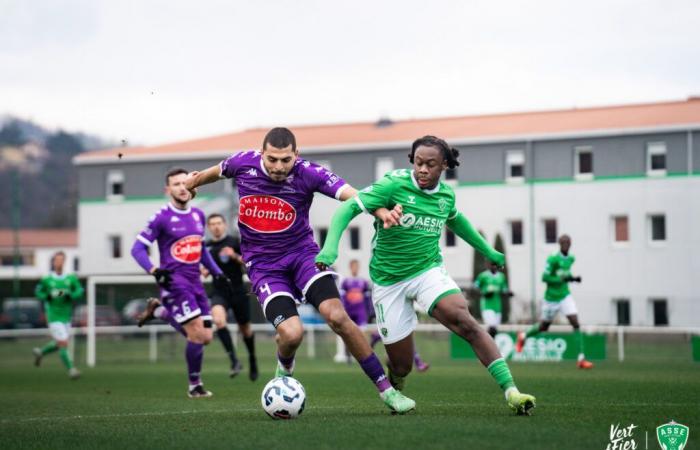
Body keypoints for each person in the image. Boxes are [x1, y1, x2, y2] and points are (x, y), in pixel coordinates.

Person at [185, 127, 415, 414]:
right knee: (292, 334)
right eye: (272, 160)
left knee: (338, 317)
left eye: (285, 160)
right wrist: (193, 183)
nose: (279, 167)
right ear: (261, 153)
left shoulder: (310, 173)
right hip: (264, 267)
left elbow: (351, 194)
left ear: (297, 155)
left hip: (303, 257)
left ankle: (387, 391)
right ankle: (285, 367)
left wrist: (380, 210)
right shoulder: (243, 162)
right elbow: (216, 172)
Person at [316, 135, 536, 415]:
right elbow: (349, 207)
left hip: (427, 271)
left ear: (444, 165)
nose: (422, 169)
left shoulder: (445, 196)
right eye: (418, 163)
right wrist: (330, 248)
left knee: (464, 320)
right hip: (388, 281)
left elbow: (457, 221)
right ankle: (395, 386)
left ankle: (512, 392)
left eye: (430, 164)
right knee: (402, 365)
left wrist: (488, 251)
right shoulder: (393, 184)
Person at [131, 167, 234, 398]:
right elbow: (137, 249)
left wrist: (218, 273)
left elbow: (201, 249)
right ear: (168, 190)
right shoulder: (161, 218)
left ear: (192, 185)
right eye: (175, 184)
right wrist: (154, 270)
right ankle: (194, 386)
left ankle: (159, 311)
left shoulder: (198, 215)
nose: (181, 187)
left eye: (184, 182)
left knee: (206, 337)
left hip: (195, 282)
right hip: (174, 282)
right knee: (196, 334)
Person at [515, 235, 593, 369]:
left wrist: (573, 279)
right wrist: (561, 280)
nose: (566, 244)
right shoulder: (552, 259)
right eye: (563, 242)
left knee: (575, 322)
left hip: (565, 296)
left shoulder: (570, 259)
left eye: (568, 242)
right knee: (544, 326)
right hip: (551, 298)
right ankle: (523, 335)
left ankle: (581, 359)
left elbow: (565, 275)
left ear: (571, 243)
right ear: (559, 244)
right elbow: (544, 277)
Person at [203, 213, 259, 381]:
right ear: (208, 227)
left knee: (245, 330)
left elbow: (249, 262)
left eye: (219, 223)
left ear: (225, 225)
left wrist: (234, 256)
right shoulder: (205, 247)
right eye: (212, 224)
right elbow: (204, 269)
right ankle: (234, 361)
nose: (216, 226)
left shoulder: (234, 242)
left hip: (238, 291)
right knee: (219, 320)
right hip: (219, 292)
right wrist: (203, 270)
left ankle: (252, 358)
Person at [33, 251, 83, 379]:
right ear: (53, 262)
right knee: (63, 342)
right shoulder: (47, 279)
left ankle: (41, 352)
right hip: (53, 316)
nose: (59, 262)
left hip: (66, 316)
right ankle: (71, 369)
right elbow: (38, 291)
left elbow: (80, 290)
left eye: (61, 260)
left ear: (64, 262)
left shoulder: (70, 278)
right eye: (57, 260)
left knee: (60, 343)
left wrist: (71, 295)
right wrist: (46, 296)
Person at [474, 261, 512, 338]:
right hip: (487, 306)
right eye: (492, 265)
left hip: (497, 306)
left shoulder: (501, 276)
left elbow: (504, 290)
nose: (494, 267)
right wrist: (484, 293)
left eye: (495, 265)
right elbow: (475, 288)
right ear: (488, 265)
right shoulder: (483, 276)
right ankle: (488, 346)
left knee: (495, 330)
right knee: (492, 328)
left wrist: (508, 294)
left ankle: (489, 345)